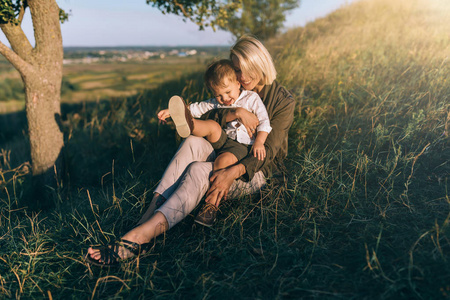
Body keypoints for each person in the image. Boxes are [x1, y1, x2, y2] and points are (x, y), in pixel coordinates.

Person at [86, 35, 295, 266]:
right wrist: (233, 112)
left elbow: (269, 151)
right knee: (192, 143)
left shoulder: (283, 101)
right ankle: (150, 213)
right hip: (226, 145)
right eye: (234, 68)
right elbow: (210, 111)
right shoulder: (233, 90)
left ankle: (139, 238)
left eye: (239, 69)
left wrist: (231, 173)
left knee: (197, 171)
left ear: (256, 64)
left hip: (253, 170)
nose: (236, 75)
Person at [158, 59, 272, 226]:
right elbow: (197, 107)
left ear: (238, 83)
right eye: (218, 95)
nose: (224, 98)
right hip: (222, 139)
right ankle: (187, 122)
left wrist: (259, 142)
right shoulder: (215, 102)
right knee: (210, 125)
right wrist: (172, 112)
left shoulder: (251, 99)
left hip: (240, 146)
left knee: (222, 161)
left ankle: (211, 205)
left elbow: (264, 122)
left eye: (227, 92)